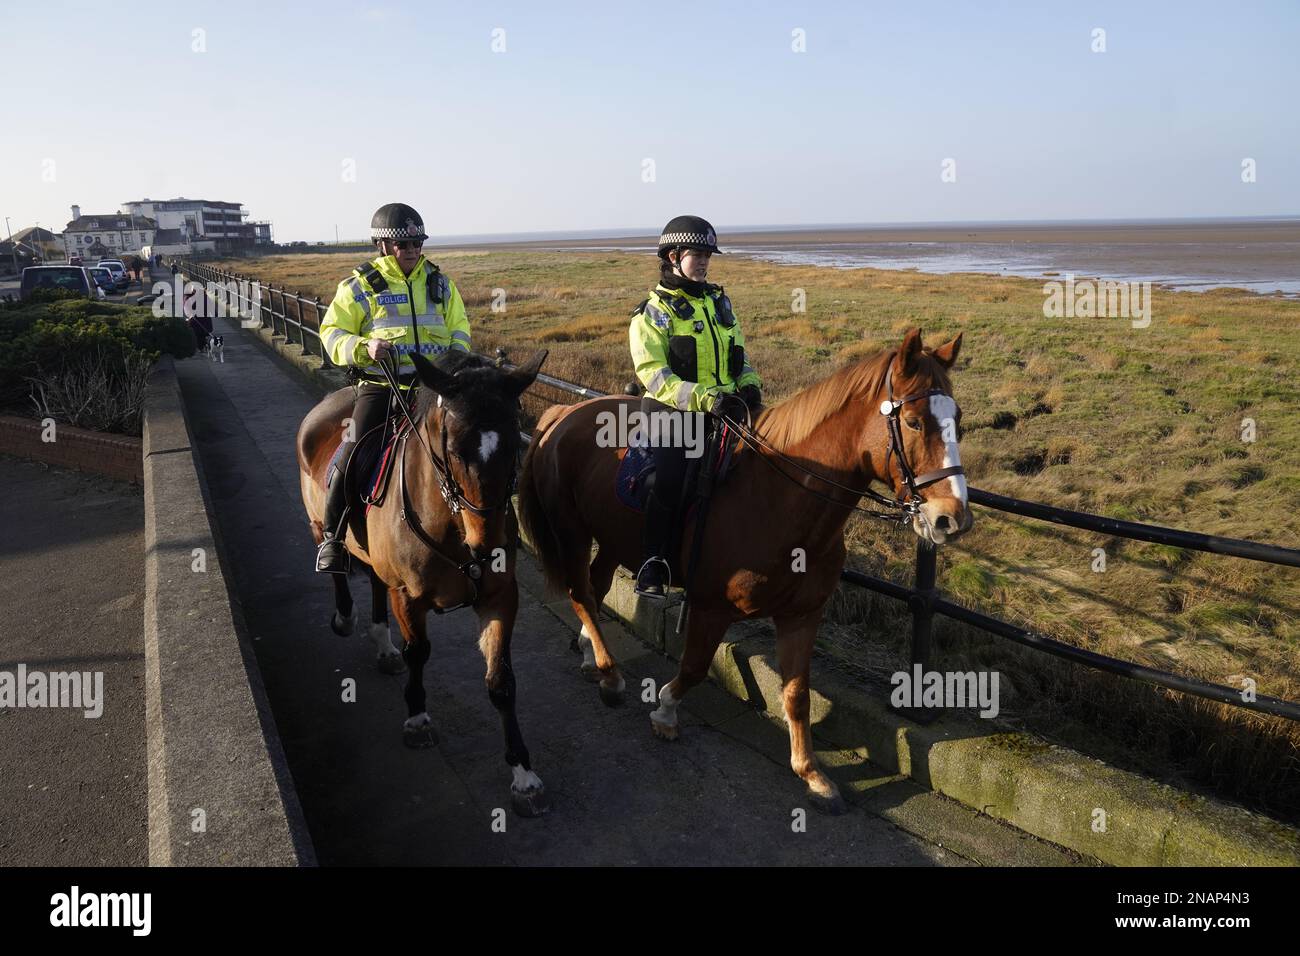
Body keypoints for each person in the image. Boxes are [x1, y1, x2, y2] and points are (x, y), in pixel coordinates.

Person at [313, 202, 472, 573]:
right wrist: (363, 347)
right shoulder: (360, 286)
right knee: (350, 454)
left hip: (433, 390)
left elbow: (460, 329)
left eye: (417, 241)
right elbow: (331, 332)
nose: (413, 249)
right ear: (383, 245)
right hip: (382, 387)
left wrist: (456, 363)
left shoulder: (440, 284)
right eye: (404, 244)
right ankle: (334, 540)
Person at [628, 215, 762, 598]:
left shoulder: (719, 302)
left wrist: (749, 384)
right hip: (674, 414)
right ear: (673, 256)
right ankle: (653, 564)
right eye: (697, 254)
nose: (704, 261)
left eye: (708, 254)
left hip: (726, 408)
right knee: (671, 481)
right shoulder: (652, 313)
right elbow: (655, 376)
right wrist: (708, 399)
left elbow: (739, 355)